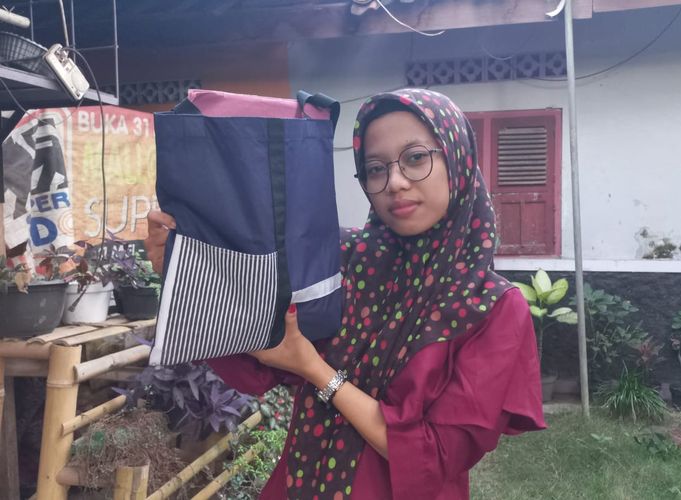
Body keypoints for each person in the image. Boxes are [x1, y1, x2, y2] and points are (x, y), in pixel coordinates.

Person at [145, 88, 545, 499]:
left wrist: (316, 370)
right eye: (375, 168)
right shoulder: (343, 260)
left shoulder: (490, 308)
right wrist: (185, 273)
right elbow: (259, 365)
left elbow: (435, 455)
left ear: (458, 159)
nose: (395, 183)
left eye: (415, 158)